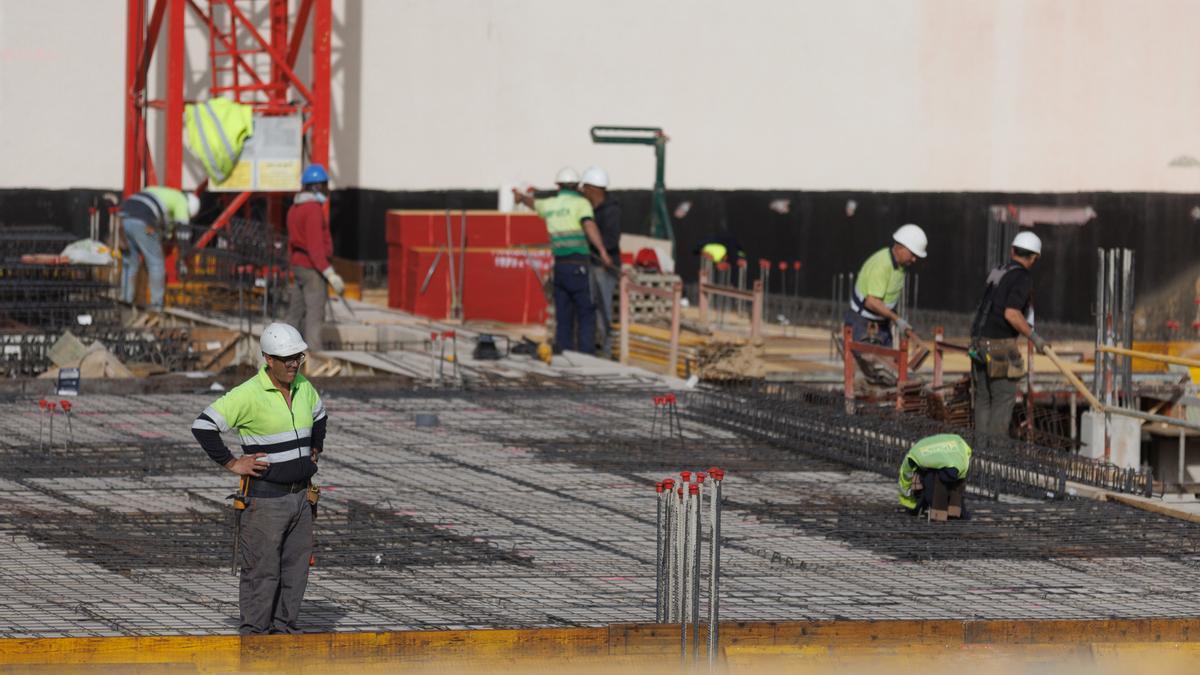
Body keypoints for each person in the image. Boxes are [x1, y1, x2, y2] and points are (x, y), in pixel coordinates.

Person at [191, 322, 326, 635]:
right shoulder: (248, 394)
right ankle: (255, 641)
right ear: (268, 359)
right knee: (262, 574)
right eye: (287, 358)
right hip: (266, 502)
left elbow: (320, 416)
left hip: (302, 500)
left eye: (299, 357)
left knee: (295, 574)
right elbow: (203, 425)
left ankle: (283, 636)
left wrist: (315, 446)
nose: (295, 363)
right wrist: (232, 463)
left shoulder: (303, 386)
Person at [513, 168, 612, 354]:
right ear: (576, 186)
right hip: (579, 265)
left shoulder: (550, 205)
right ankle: (586, 355)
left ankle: (565, 353)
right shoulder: (581, 204)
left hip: (559, 266)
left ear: (558, 185)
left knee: (563, 313)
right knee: (585, 311)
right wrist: (603, 251)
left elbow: (534, 203)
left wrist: (521, 198)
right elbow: (589, 225)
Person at [969, 230, 1048, 438]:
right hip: (999, 346)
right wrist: (1035, 337)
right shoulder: (1022, 276)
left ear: (1012, 250)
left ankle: (980, 456)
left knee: (984, 399)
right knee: (1003, 400)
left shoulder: (998, 270)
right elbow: (1011, 313)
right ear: (1034, 258)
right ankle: (997, 459)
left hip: (978, 342)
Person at [285, 164, 343, 348]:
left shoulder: (294, 209)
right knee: (315, 316)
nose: (327, 190)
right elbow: (315, 248)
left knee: (295, 314)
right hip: (312, 270)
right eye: (325, 185)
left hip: (298, 267)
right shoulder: (313, 210)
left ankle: (284, 352)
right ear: (316, 186)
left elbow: (292, 243)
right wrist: (330, 274)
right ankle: (315, 359)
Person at [117, 186, 200, 311]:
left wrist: (166, 234)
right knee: (156, 264)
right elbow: (183, 231)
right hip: (144, 220)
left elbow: (166, 224)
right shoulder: (181, 201)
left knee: (130, 263)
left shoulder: (165, 193)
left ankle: (125, 301)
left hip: (124, 217)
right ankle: (156, 306)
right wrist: (183, 256)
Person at [844, 224, 927, 346]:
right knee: (871, 362)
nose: (914, 259)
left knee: (888, 363)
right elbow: (871, 302)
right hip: (861, 323)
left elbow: (887, 300)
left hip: (882, 323)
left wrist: (894, 318)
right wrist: (897, 319)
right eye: (913, 254)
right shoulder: (882, 264)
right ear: (901, 247)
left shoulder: (900, 267)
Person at [580, 166, 621, 357]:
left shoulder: (611, 211)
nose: (583, 191)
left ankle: (606, 349)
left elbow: (611, 240)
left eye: (585, 187)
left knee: (604, 308)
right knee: (591, 307)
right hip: (592, 264)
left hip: (605, 268)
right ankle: (593, 345)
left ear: (593, 189)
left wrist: (593, 242)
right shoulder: (589, 208)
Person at [898, 433, 972, 520]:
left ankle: (948, 511)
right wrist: (911, 504)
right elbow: (905, 476)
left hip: (951, 456)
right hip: (931, 457)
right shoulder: (914, 457)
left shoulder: (961, 456)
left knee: (949, 487)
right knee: (932, 484)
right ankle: (948, 511)